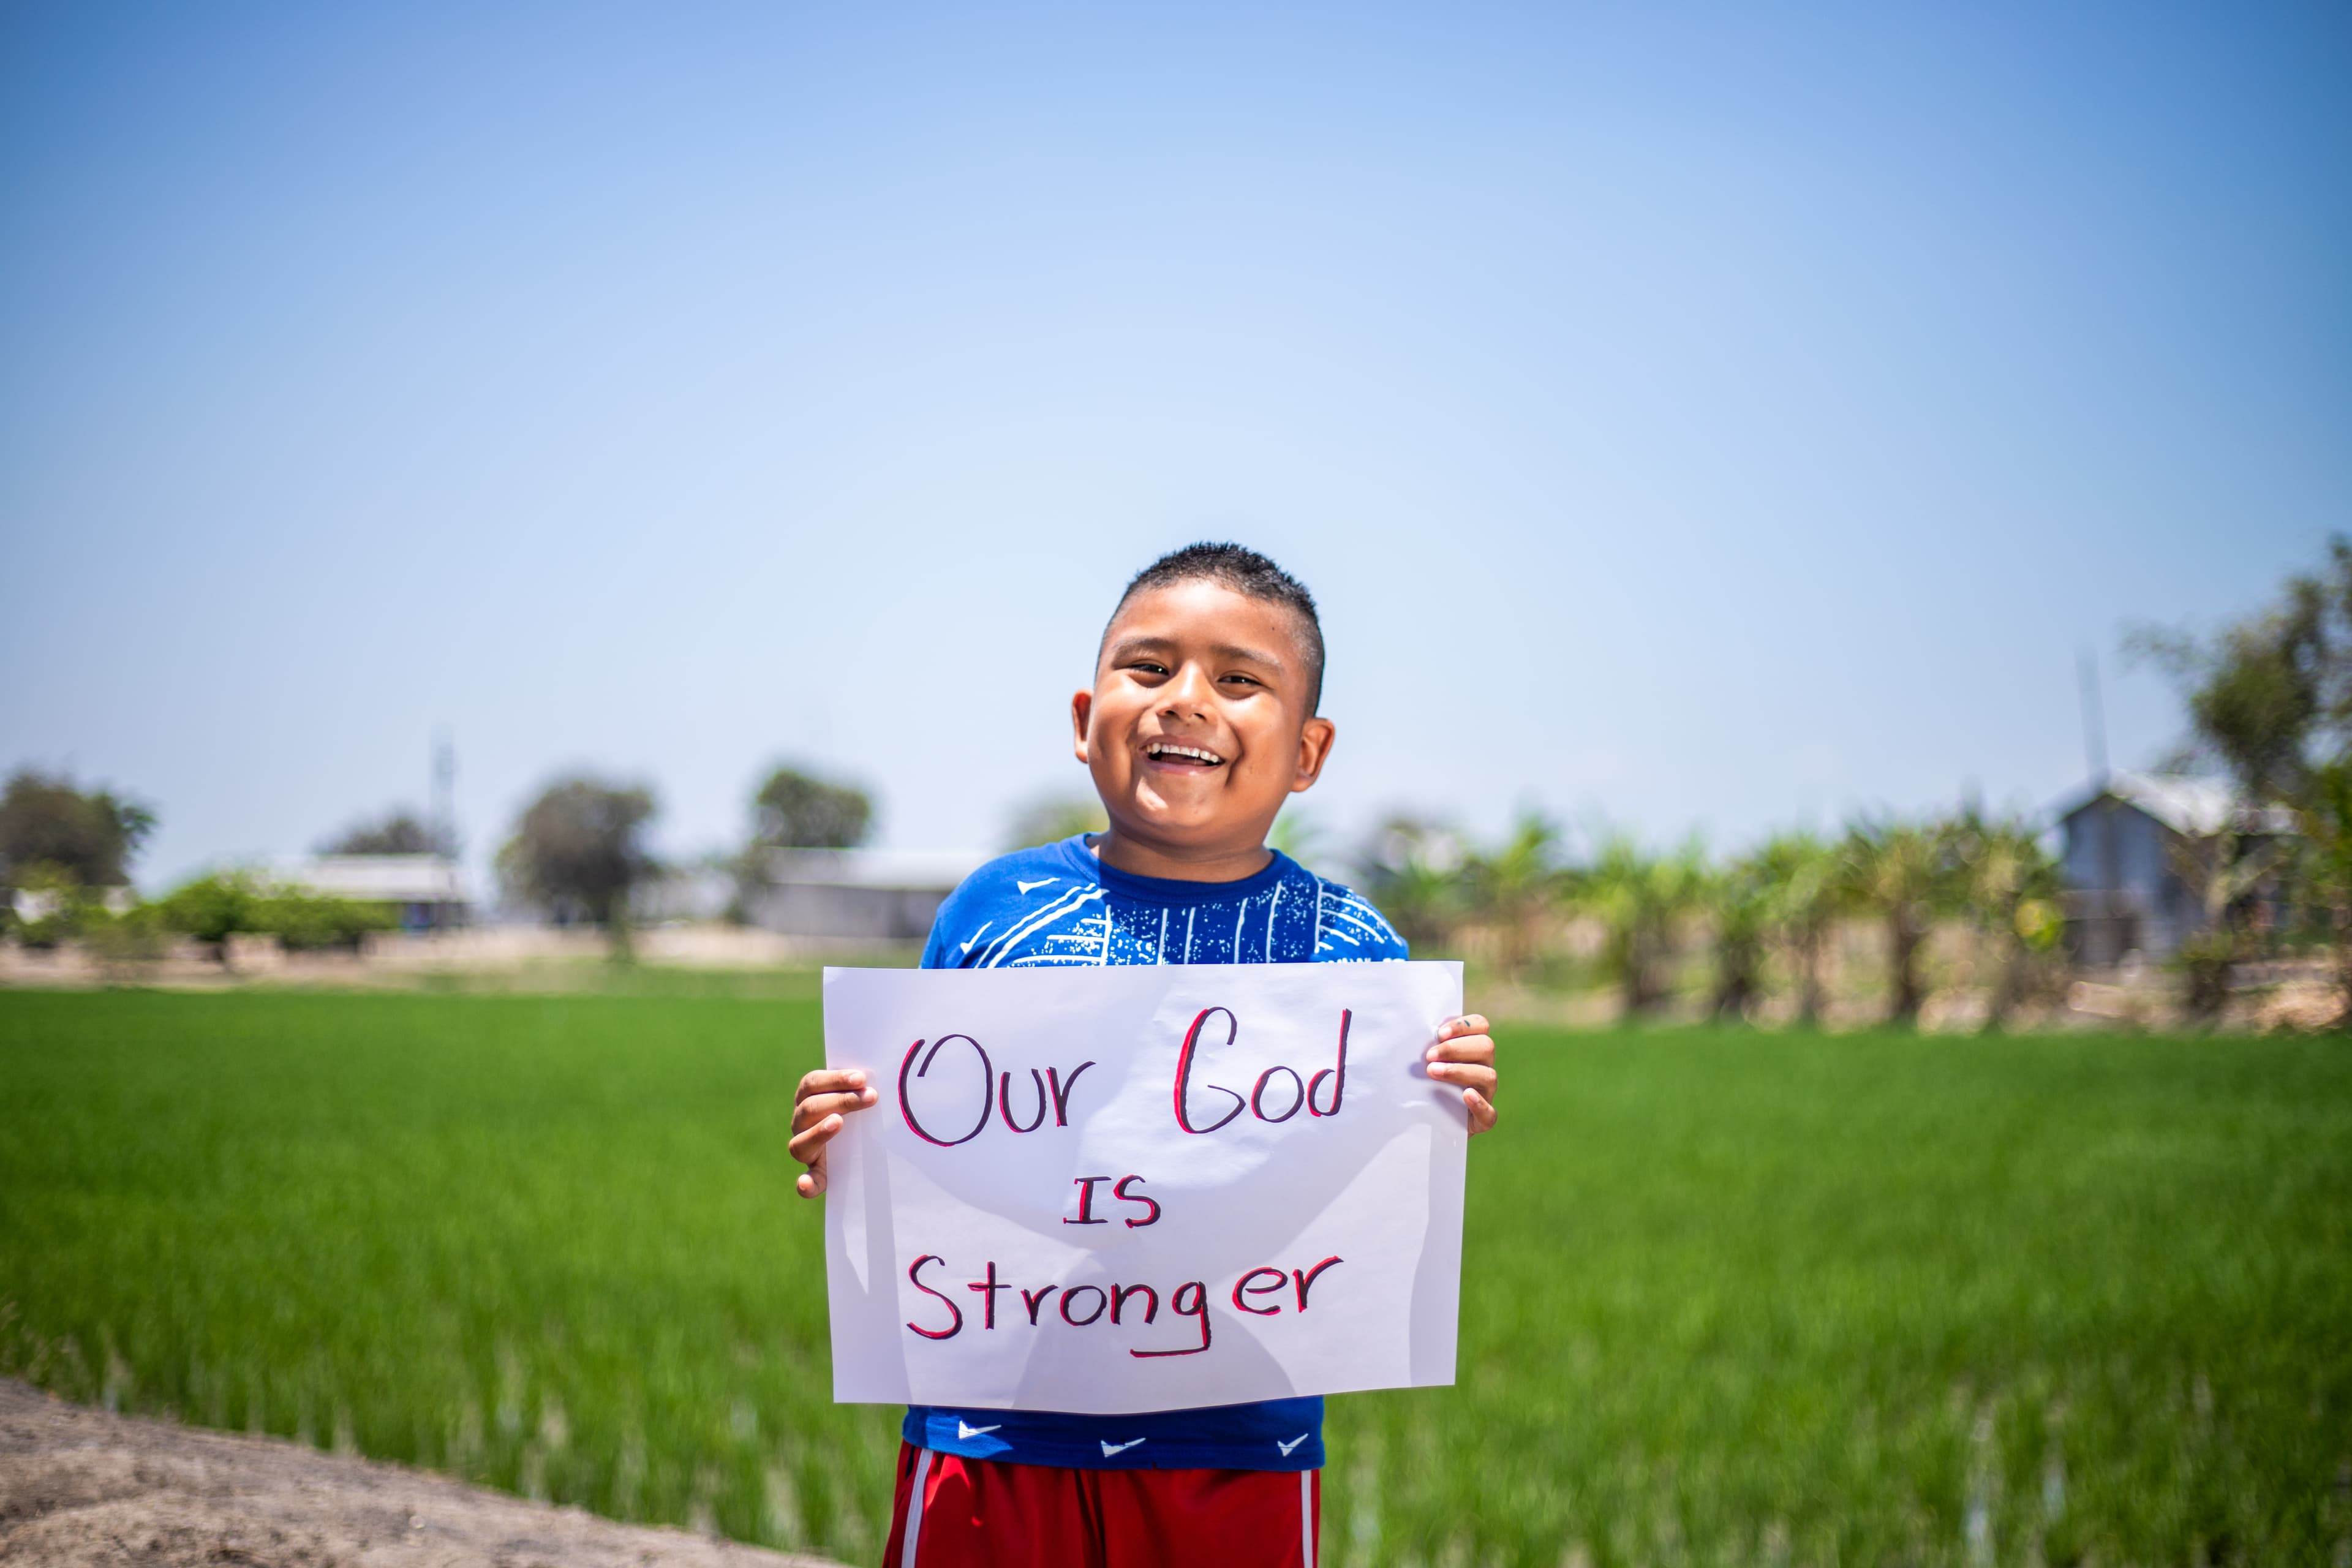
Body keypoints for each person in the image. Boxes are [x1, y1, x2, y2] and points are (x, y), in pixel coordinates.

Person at [790, 543, 1501, 1567]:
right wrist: (853, 1143)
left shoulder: (1355, 955)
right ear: (1086, 723)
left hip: (1238, 1448)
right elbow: (928, 1130)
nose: (1187, 701)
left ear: (1309, 751)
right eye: (1150, 668)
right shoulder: (995, 913)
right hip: (992, 1432)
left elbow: (1377, 1196)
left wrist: (1442, 1097)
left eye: (1241, 680)